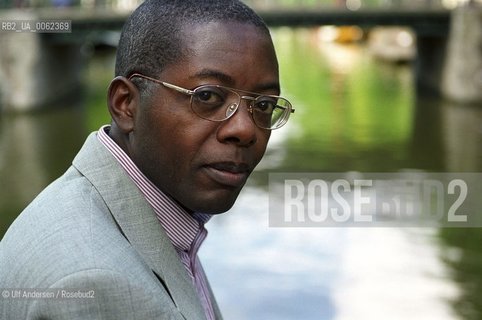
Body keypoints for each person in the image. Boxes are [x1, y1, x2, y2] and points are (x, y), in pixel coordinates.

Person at [0, 0, 294, 319]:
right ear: (126, 105)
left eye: (264, 105)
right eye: (207, 96)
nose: (246, 129)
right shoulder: (95, 285)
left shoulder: (148, 215)